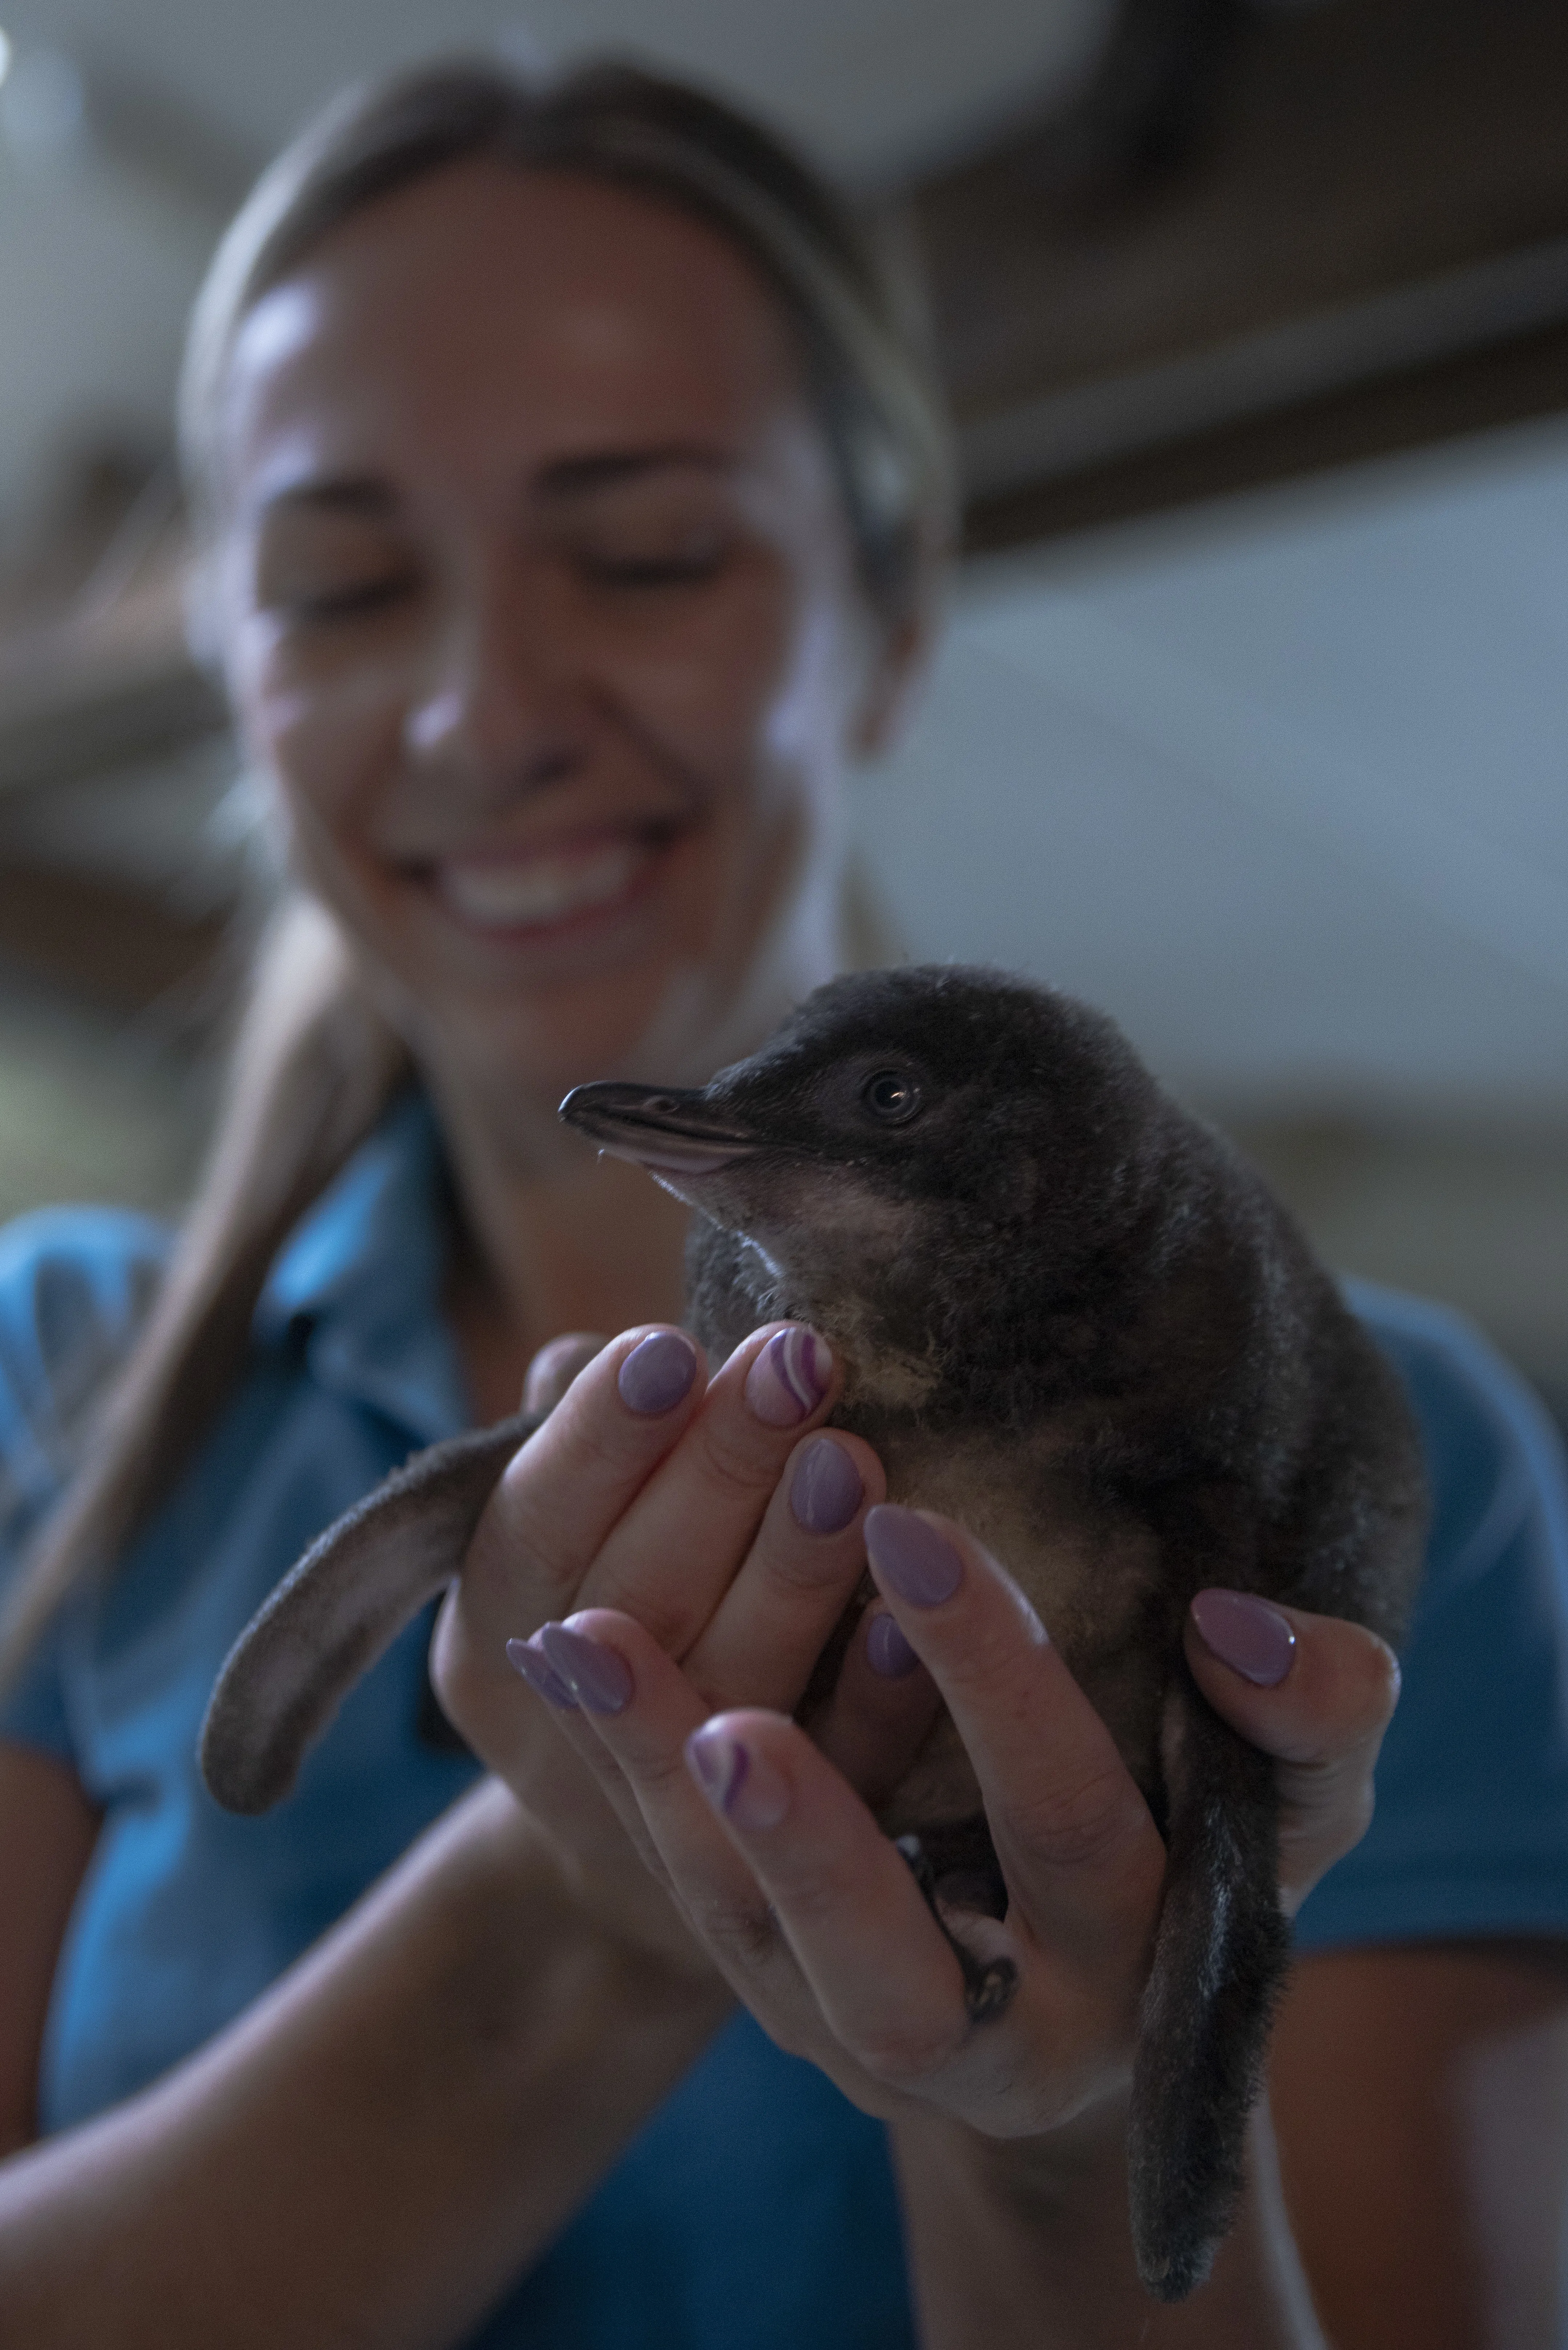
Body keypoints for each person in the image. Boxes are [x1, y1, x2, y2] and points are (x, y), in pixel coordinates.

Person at [0, 57, 1565, 2350]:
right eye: (342, 587)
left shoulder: (1357, 1442)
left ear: (892, 602)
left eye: (643, 551)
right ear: (237, 676)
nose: (482, 711)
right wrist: (573, 1916)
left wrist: (1058, 2137)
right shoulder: (63, 1394)